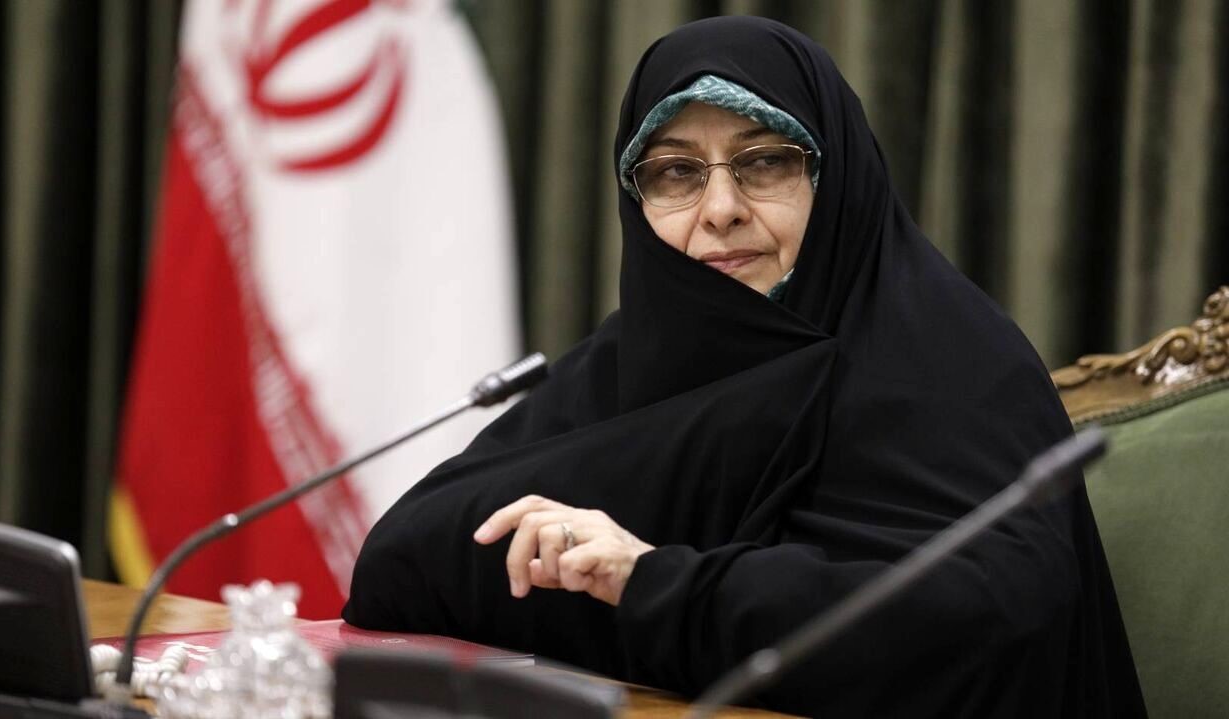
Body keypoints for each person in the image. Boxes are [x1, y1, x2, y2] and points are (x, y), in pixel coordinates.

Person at [344, 16, 1146, 717]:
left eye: (764, 162)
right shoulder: (632, 362)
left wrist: (651, 583)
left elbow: (986, 617)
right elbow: (401, 561)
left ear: (835, 178)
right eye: (675, 172)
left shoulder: (954, 360)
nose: (721, 209)